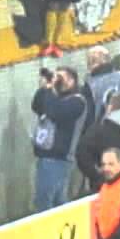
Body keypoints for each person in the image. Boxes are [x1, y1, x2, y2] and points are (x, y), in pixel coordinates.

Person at [31, 66, 89, 212]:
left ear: (72, 80)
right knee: (56, 200)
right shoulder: (53, 97)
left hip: (59, 158)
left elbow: (55, 112)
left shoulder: (77, 101)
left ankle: (49, 225)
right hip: (46, 156)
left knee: (45, 200)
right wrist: (44, 88)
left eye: (61, 78)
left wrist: (50, 90)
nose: (57, 81)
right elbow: (36, 106)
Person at [84, 46, 120, 127]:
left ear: (91, 63)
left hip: (105, 129)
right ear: (108, 59)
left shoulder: (89, 85)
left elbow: (88, 117)